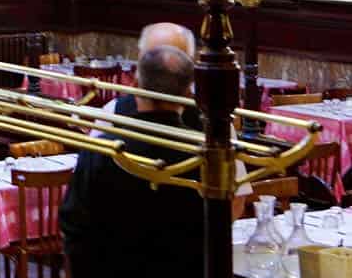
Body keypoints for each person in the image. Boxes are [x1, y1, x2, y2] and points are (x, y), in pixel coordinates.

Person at [61, 45, 206, 278]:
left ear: (135, 86)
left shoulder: (104, 151)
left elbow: (74, 223)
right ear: (187, 92)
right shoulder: (210, 154)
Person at [93, 21, 251, 217]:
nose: (164, 67)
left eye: (176, 61)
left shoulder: (215, 121)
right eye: (154, 60)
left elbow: (236, 197)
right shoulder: (112, 114)